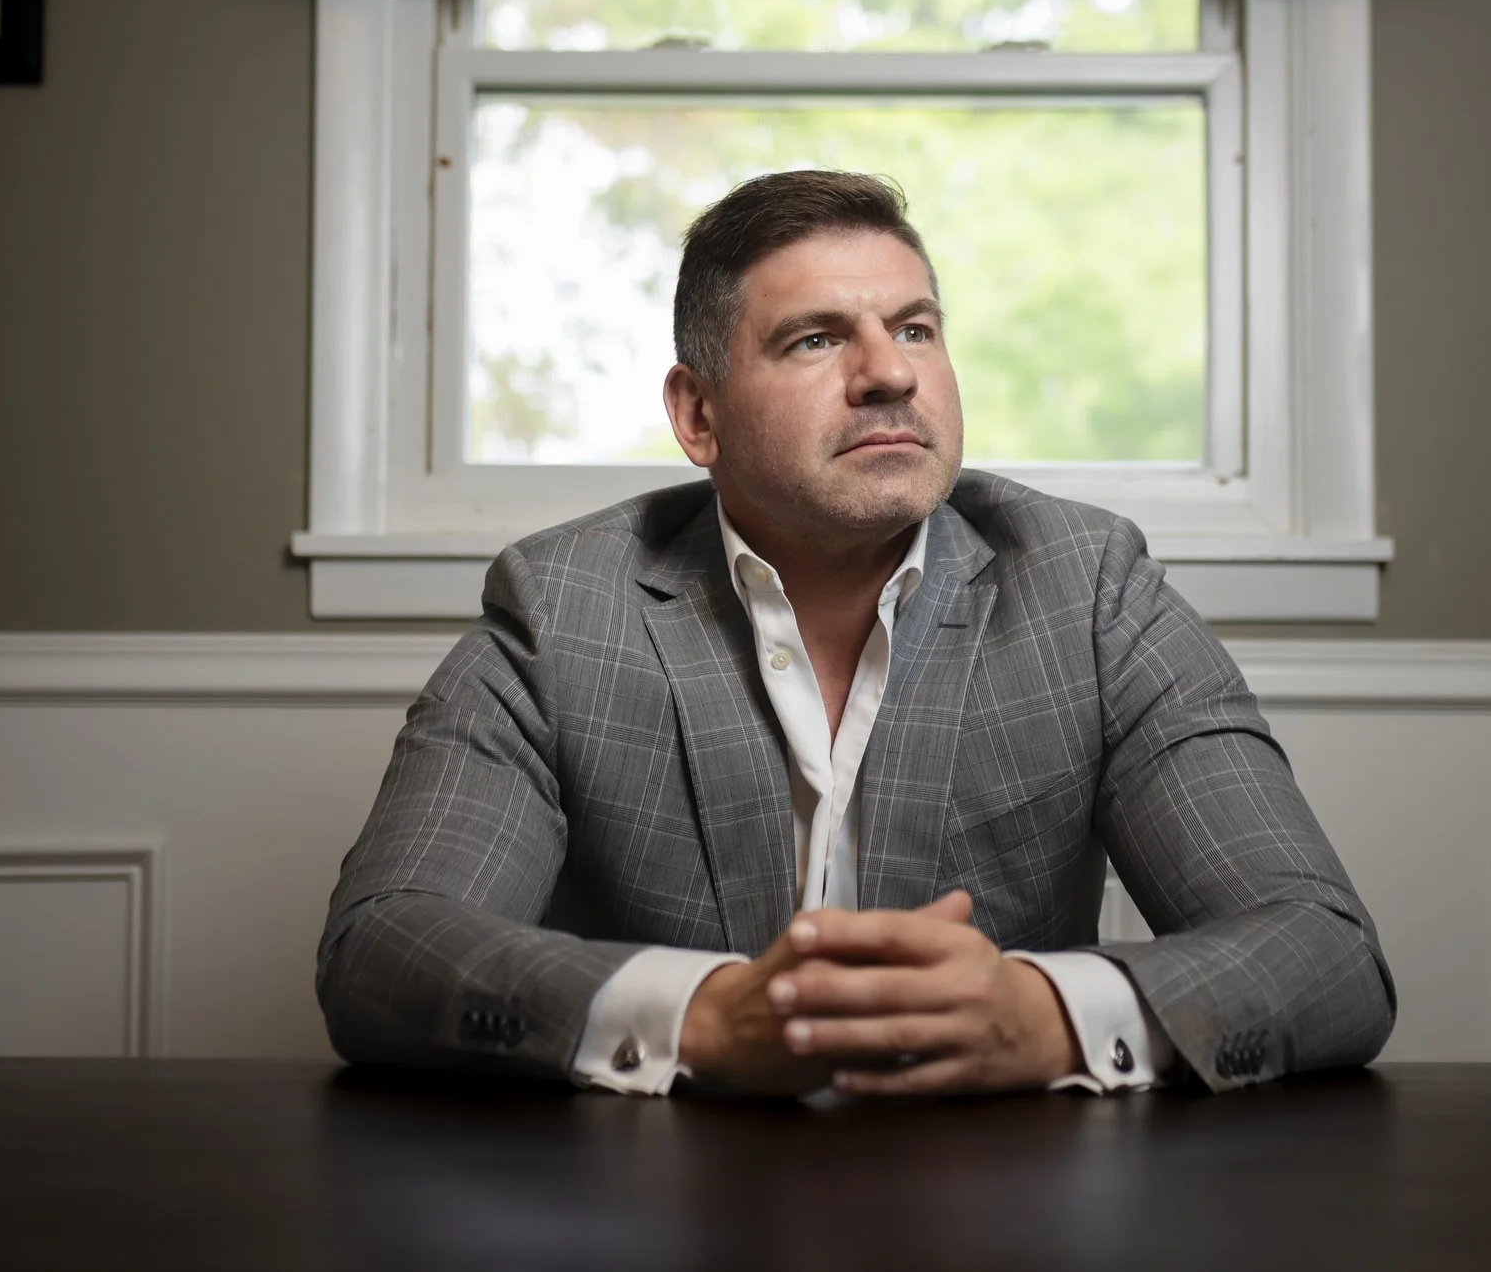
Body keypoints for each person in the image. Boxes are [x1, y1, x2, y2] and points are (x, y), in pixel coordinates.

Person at [318, 170, 1393, 1096]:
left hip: (1008, 1213)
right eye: (818, 336)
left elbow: (1326, 952)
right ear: (698, 414)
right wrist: (705, 1017)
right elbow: (383, 944)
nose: (891, 371)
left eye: (915, 326)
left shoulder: (1088, 586)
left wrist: (1042, 1014)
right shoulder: (563, 610)